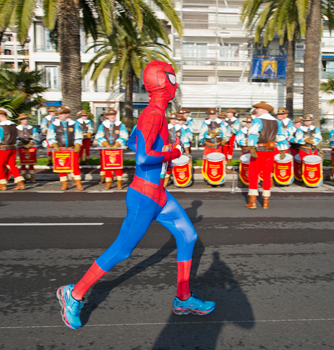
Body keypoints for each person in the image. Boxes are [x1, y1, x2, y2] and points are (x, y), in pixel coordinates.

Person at [56, 61, 215, 330]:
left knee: (188, 236)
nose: (176, 83)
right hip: (144, 196)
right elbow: (141, 157)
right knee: (122, 250)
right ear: (164, 81)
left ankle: (184, 298)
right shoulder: (154, 113)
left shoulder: (154, 113)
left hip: (158, 194)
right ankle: (74, 294)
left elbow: (132, 142)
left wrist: (164, 149)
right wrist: (173, 154)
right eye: (172, 77)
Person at [246, 101, 288, 209]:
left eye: (258, 108)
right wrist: (282, 150)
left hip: (258, 150)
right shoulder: (277, 122)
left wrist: (251, 147)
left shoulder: (258, 120)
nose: (255, 110)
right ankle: (266, 202)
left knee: (253, 174)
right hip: (270, 151)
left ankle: (253, 202)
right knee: (267, 175)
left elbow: (253, 133)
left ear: (265, 110)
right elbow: (281, 136)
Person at [47, 106, 84, 191]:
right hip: (60, 149)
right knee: (61, 167)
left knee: (75, 166)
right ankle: (64, 183)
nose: (60, 115)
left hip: (71, 149)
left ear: (67, 114)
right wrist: (54, 144)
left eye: (62, 114)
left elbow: (78, 135)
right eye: (59, 114)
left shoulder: (75, 124)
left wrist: (78, 144)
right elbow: (50, 136)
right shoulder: (53, 125)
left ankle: (78, 183)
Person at [0, 108, 25, 191]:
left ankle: (2, 184)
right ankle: (20, 183)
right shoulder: (13, 125)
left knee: (0, 166)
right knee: (12, 165)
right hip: (12, 148)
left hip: (2, 149)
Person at [95, 108, 129, 190]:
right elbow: (99, 136)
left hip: (117, 149)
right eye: (110, 115)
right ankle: (108, 183)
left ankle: (119, 183)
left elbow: (124, 135)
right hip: (106, 149)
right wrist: (105, 143)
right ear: (108, 116)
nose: (112, 116)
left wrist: (117, 143)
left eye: (113, 115)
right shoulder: (102, 125)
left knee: (118, 167)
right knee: (107, 167)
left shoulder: (121, 125)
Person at [16, 113, 40, 183]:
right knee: (23, 163)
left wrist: (32, 142)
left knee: (31, 163)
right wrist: (19, 143)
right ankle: (23, 177)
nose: (26, 120)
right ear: (20, 120)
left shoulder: (32, 128)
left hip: (31, 147)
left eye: (26, 119)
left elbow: (36, 137)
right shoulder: (17, 129)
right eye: (24, 119)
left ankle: (32, 177)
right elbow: (15, 138)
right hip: (21, 147)